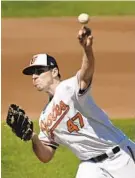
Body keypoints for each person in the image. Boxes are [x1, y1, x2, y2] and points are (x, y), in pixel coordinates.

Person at [22, 26, 135, 178]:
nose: (34, 77)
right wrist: (33, 137)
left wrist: (87, 50)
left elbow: (85, 74)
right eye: (32, 74)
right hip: (89, 166)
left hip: (119, 156)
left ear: (54, 72)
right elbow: (46, 156)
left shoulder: (68, 87)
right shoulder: (44, 118)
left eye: (39, 71)